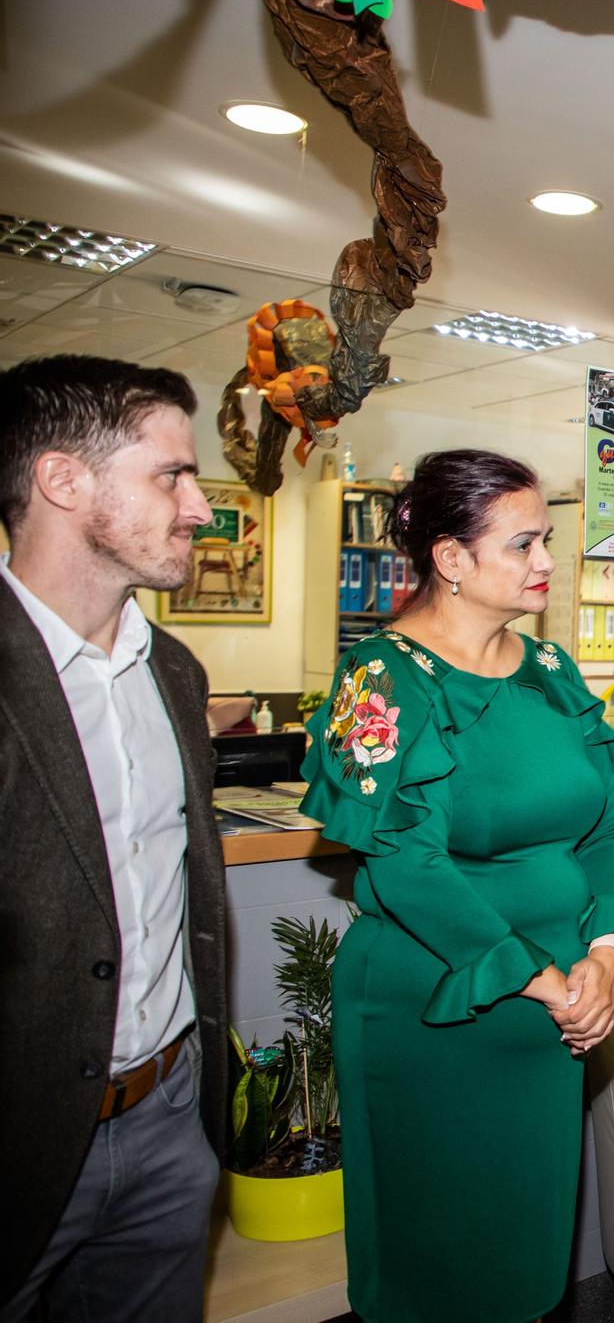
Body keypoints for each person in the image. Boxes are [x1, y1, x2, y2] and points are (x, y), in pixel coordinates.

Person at [300, 449, 614, 1322]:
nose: (547, 561)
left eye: (547, 539)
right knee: (438, 1256)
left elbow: (612, 821)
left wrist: (606, 957)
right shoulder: (378, 680)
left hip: (558, 1014)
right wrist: (542, 979)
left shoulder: (552, 672)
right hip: (438, 1009)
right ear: (451, 559)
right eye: (524, 543)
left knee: (528, 1249)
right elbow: (403, 862)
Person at [0, 355, 228, 1321]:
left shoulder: (171, 669)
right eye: (170, 475)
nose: (201, 507)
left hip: (172, 1120)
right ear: (63, 481)